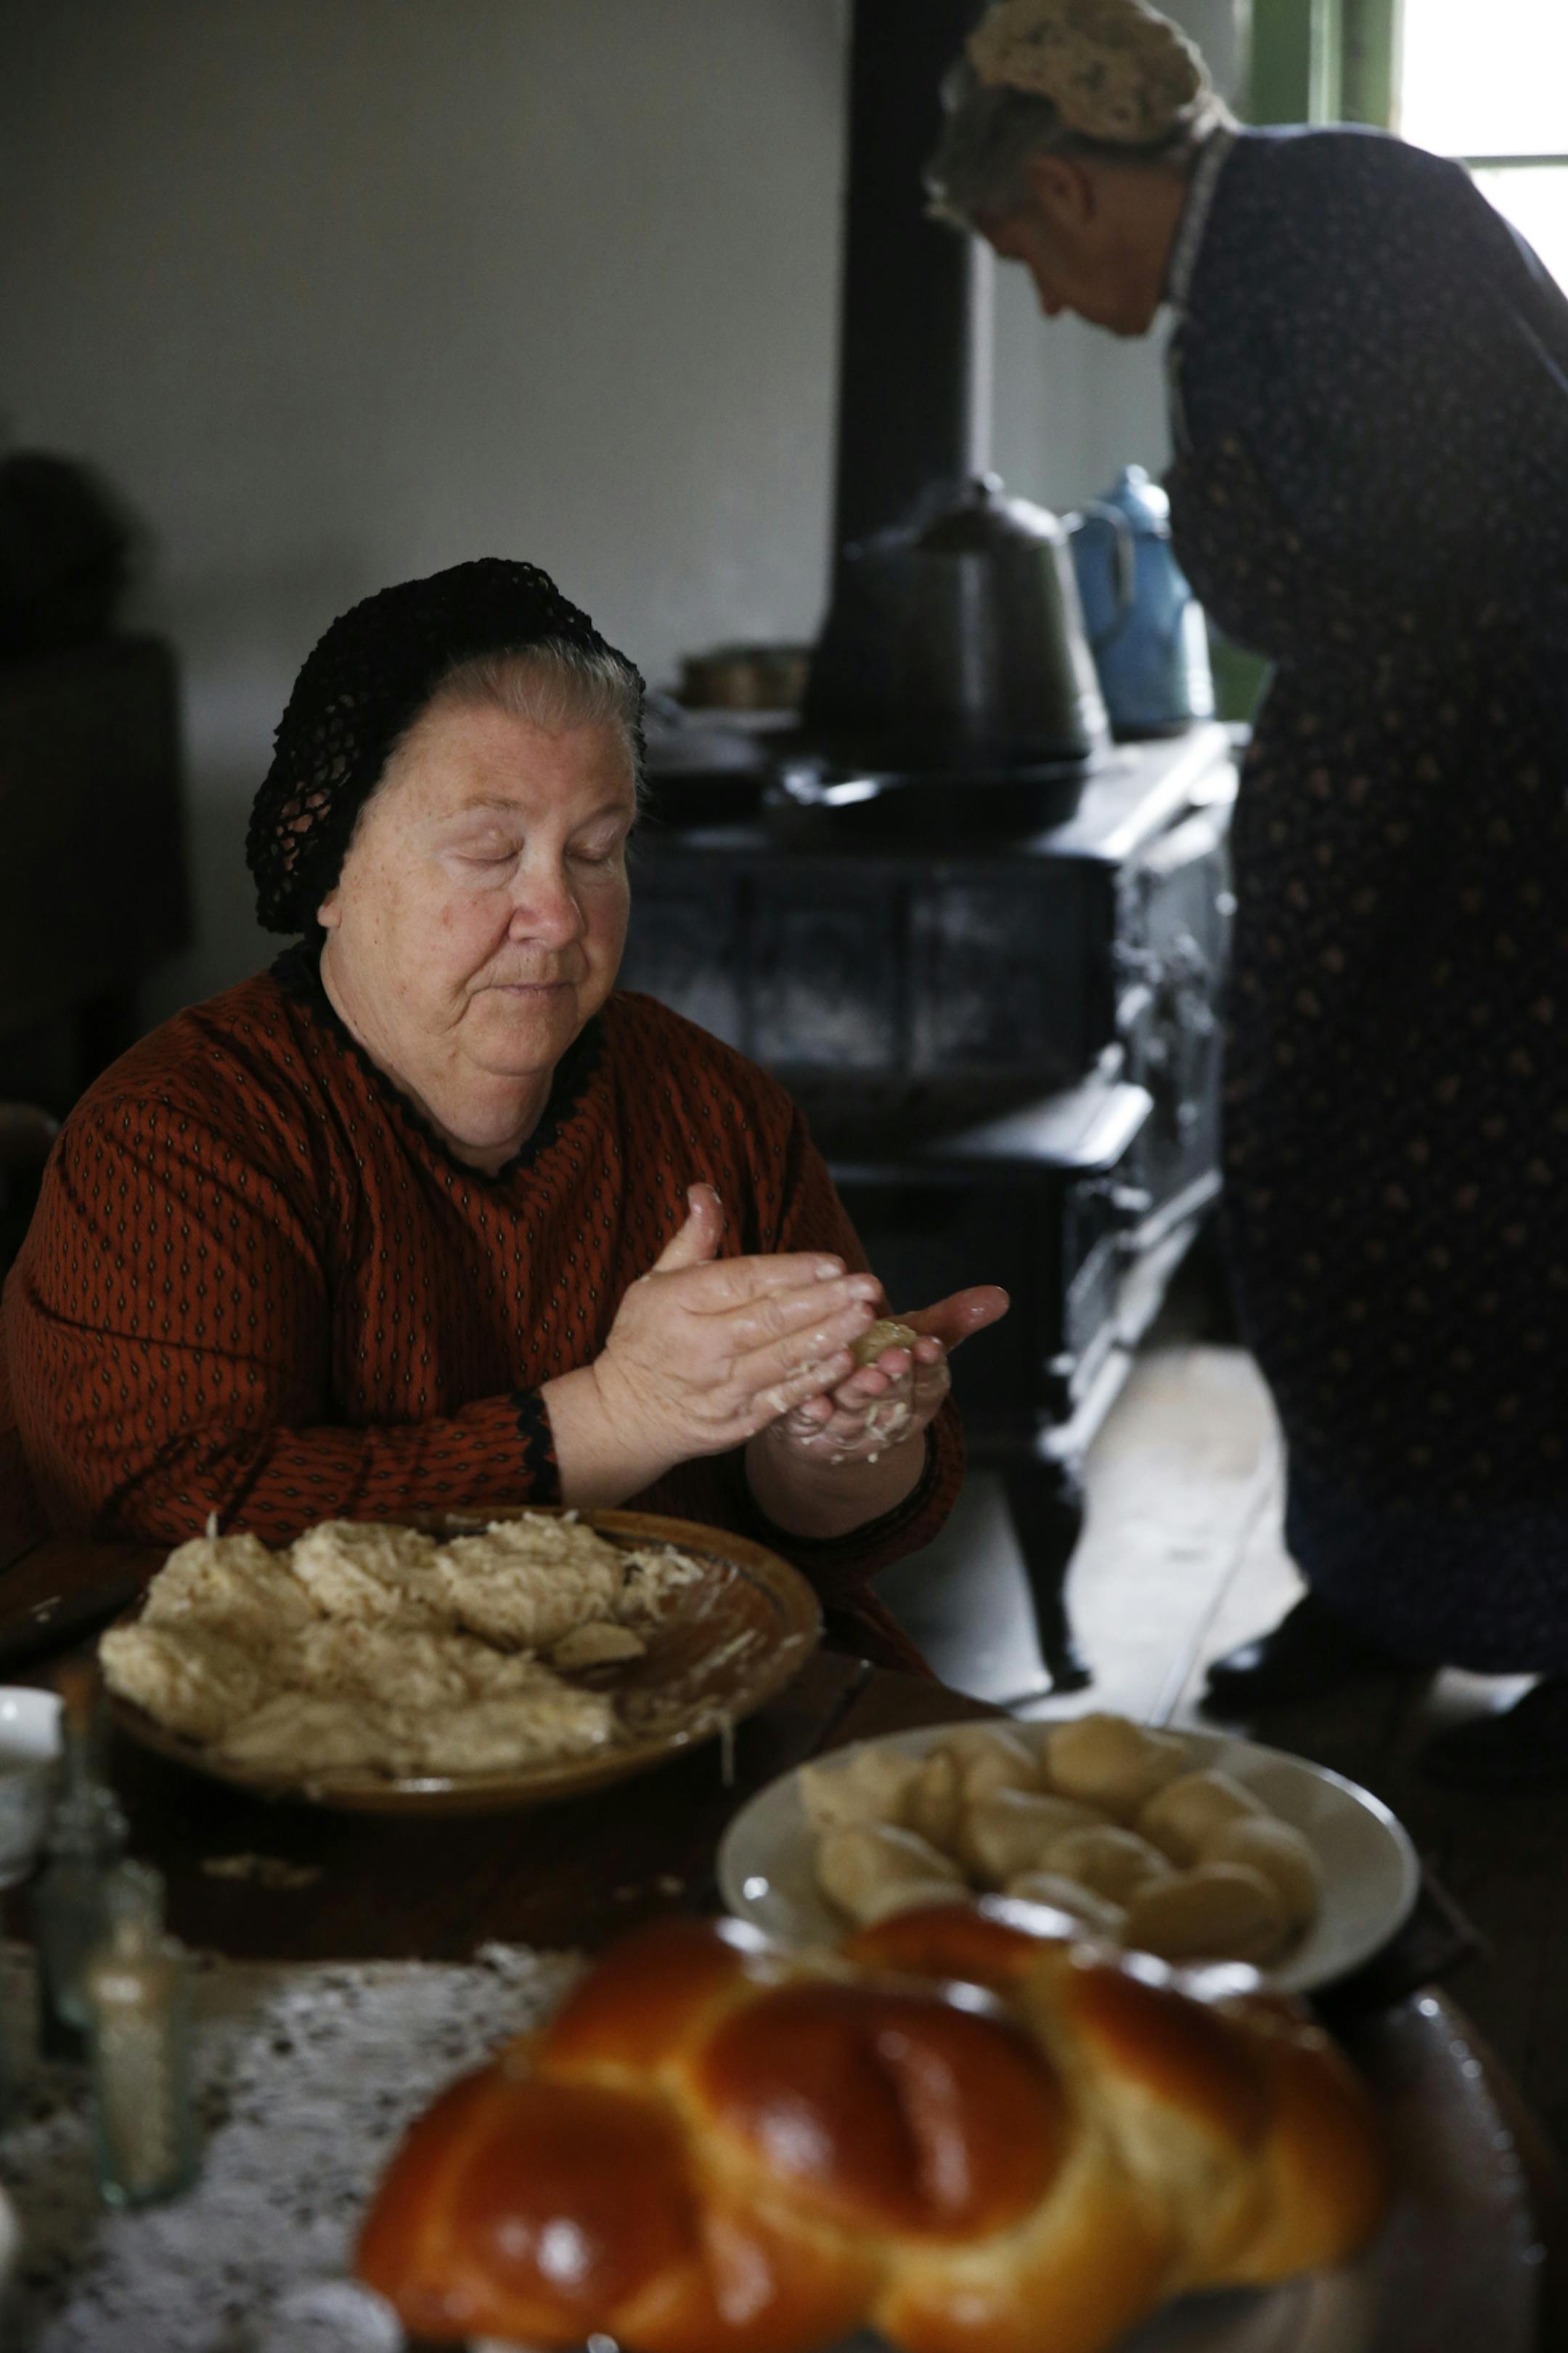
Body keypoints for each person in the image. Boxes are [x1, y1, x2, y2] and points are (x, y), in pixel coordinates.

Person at [928, 0, 1568, 1783]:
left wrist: (1361, 857)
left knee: (1509, 1223)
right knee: (1326, 1199)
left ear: (1068, 185)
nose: (1049, 300)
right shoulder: (1253, 258)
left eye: (1023, 253)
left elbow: (1463, 574)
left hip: (1503, 824)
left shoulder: (1340, 225)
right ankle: (1382, 1588)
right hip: (1404, 801)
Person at [0, 559, 1007, 1666]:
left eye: (596, 849)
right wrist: (618, 1415)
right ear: (325, 865)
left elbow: (827, 1535)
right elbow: (158, 1522)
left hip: (690, 1692)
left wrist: (835, 1443)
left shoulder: (713, 1105)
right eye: (489, 851)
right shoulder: (177, 1138)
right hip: (324, 1733)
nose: (558, 912)